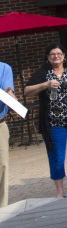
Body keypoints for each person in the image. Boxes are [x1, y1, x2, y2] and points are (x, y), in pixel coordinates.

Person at [24, 45, 67, 197]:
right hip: (53, 123)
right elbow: (27, 91)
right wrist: (45, 84)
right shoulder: (42, 73)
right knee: (56, 157)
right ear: (47, 57)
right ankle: (60, 192)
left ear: (64, 56)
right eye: (52, 54)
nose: (56, 56)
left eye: (59, 53)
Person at [0, 61, 17, 207]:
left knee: (2, 166)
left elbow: (8, 92)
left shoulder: (4, 68)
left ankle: (2, 208)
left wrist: (11, 98)